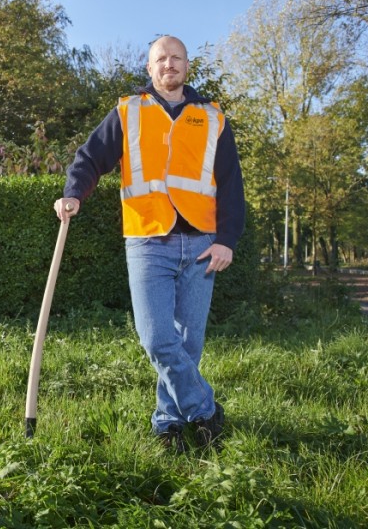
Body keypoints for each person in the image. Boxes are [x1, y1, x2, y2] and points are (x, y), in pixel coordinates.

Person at [55, 35, 245, 453]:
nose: (169, 64)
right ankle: (206, 410)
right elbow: (89, 159)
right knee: (158, 338)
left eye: (177, 58)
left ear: (187, 66)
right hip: (147, 239)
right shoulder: (127, 111)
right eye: (161, 58)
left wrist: (227, 240)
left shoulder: (213, 118)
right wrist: (74, 191)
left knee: (188, 344)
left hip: (201, 244)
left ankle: (168, 422)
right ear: (150, 68)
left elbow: (231, 184)